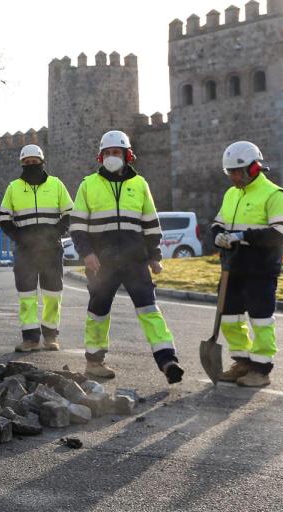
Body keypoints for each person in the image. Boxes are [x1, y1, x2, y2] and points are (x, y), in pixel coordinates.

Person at [70, 130, 183, 383]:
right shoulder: (88, 185)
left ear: (126, 155)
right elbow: (77, 226)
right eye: (107, 153)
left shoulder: (140, 184)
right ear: (101, 157)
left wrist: (154, 256)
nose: (112, 157)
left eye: (116, 152)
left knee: (149, 309)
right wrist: (87, 254)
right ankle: (95, 361)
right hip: (101, 263)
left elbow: (151, 224)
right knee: (98, 312)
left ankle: (167, 360)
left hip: (135, 261)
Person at [210, 141, 283, 387]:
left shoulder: (274, 194)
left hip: (261, 269)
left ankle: (261, 369)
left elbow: (280, 233)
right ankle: (242, 362)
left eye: (237, 172)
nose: (234, 177)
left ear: (254, 168)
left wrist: (242, 236)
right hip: (232, 268)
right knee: (230, 318)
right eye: (230, 173)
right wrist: (218, 235)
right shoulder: (231, 193)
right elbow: (218, 223)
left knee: (261, 320)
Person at [0, 145, 73, 353]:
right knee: (26, 295)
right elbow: (4, 218)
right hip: (25, 251)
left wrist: (57, 231)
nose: (32, 165)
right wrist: (18, 236)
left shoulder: (56, 185)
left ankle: (50, 337)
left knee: (52, 294)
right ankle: (30, 338)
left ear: (42, 162)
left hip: (51, 249)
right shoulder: (13, 188)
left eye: (35, 161)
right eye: (28, 162)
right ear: (22, 164)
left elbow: (69, 212)